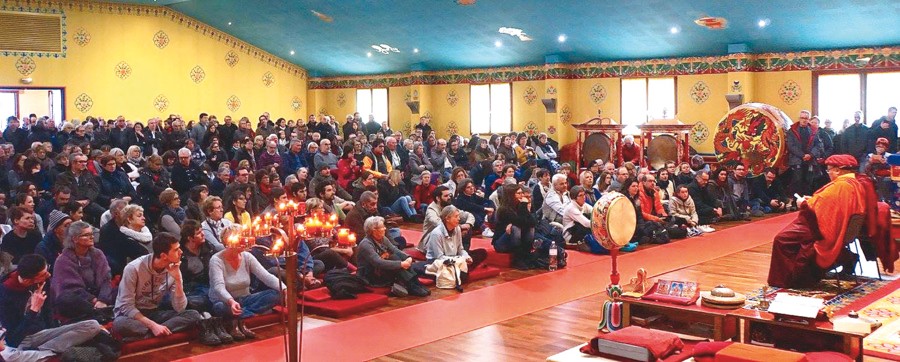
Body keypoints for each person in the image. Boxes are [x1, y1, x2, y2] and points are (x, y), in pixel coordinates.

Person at [767, 155, 869, 288]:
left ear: (838, 170)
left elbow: (821, 207)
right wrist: (814, 199)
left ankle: (789, 279)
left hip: (822, 228)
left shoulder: (842, 186)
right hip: (842, 229)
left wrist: (803, 202)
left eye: (829, 170)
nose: (829, 174)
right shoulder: (855, 184)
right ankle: (845, 257)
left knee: (782, 239)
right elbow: (828, 202)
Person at [0, 254, 105, 358]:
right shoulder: (5, 294)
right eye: (43, 274)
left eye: (47, 270)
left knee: (92, 326)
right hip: (22, 340)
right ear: (28, 280)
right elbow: (12, 340)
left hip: (43, 334)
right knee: (10, 356)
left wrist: (55, 331)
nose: (48, 275)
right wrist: (33, 310)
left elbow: (48, 310)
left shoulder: (43, 281)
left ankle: (42, 352)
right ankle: (47, 352)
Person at [112, 232, 210, 344]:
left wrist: (178, 280)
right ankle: (157, 331)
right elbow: (126, 306)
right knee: (119, 324)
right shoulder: (134, 268)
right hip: (132, 316)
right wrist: (153, 326)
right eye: (176, 250)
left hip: (154, 312)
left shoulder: (174, 268)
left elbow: (180, 308)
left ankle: (146, 336)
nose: (181, 252)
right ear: (164, 255)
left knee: (193, 315)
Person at [209, 225, 285, 340]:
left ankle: (239, 318)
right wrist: (230, 302)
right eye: (241, 238)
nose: (245, 241)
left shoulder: (247, 256)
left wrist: (284, 288)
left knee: (276, 294)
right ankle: (244, 315)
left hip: (245, 299)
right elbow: (218, 287)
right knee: (220, 307)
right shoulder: (216, 260)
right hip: (225, 302)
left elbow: (265, 276)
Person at [51, 221, 117, 323]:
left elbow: (106, 279)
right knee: (66, 299)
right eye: (86, 235)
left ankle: (103, 312)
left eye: (92, 234)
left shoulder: (97, 254)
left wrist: (103, 300)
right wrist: (94, 301)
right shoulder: (63, 260)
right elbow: (72, 288)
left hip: (100, 297)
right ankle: (101, 313)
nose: (92, 237)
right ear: (75, 239)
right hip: (80, 300)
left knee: (121, 290)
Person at [413, 205, 487, 290]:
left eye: (458, 216)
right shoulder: (436, 233)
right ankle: (457, 271)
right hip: (439, 261)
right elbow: (439, 257)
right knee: (419, 267)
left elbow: (460, 249)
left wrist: (466, 257)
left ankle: (457, 271)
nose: (459, 219)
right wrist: (458, 260)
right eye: (456, 216)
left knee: (482, 252)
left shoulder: (457, 229)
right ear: (447, 219)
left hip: (455, 259)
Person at [357, 216, 431, 297]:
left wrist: (407, 257)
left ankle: (414, 282)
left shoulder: (382, 238)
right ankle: (411, 285)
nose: (385, 229)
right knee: (394, 259)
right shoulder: (366, 244)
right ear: (374, 230)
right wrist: (401, 264)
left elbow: (394, 249)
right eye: (382, 227)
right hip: (370, 277)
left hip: (379, 271)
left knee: (396, 256)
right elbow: (378, 262)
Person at [492, 184, 538, 270]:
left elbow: (533, 223)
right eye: (519, 193)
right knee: (515, 228)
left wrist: (526, 209)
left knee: (530, 228)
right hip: (501, 243)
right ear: (511, 195)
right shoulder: (504, 210)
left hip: (518, 238)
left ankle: (526, 257)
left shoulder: (520, 206)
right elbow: (519, 222)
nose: (522, 195)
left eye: (522, 193)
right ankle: (517, 259)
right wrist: (524, 207)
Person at [419, 186, 475, 251]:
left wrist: (468, 224)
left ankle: (464, 252)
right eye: (446, 196)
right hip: (431, 242)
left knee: (467, 228)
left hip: (448, 239)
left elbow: (469, 215)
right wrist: (460, 227)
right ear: (438, 198)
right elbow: (440, 224)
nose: (449, 198)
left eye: (449, 195)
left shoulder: (449, 206)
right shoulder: (431, 210)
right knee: (446, 229)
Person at [786, 110, 825, 197]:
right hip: (797, 160)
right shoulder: (792, 131)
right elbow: (791, 146)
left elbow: (818, 145)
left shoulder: (814, 131)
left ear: (808, 119)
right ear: (799, 118)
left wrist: (810, 155)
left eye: (806, 118)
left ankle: (807, 202)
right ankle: (796, 203)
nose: (804, 120)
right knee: (797, 182)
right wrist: (803, 155)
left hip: (810, 160)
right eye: (802, 118)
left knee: (809, 182)